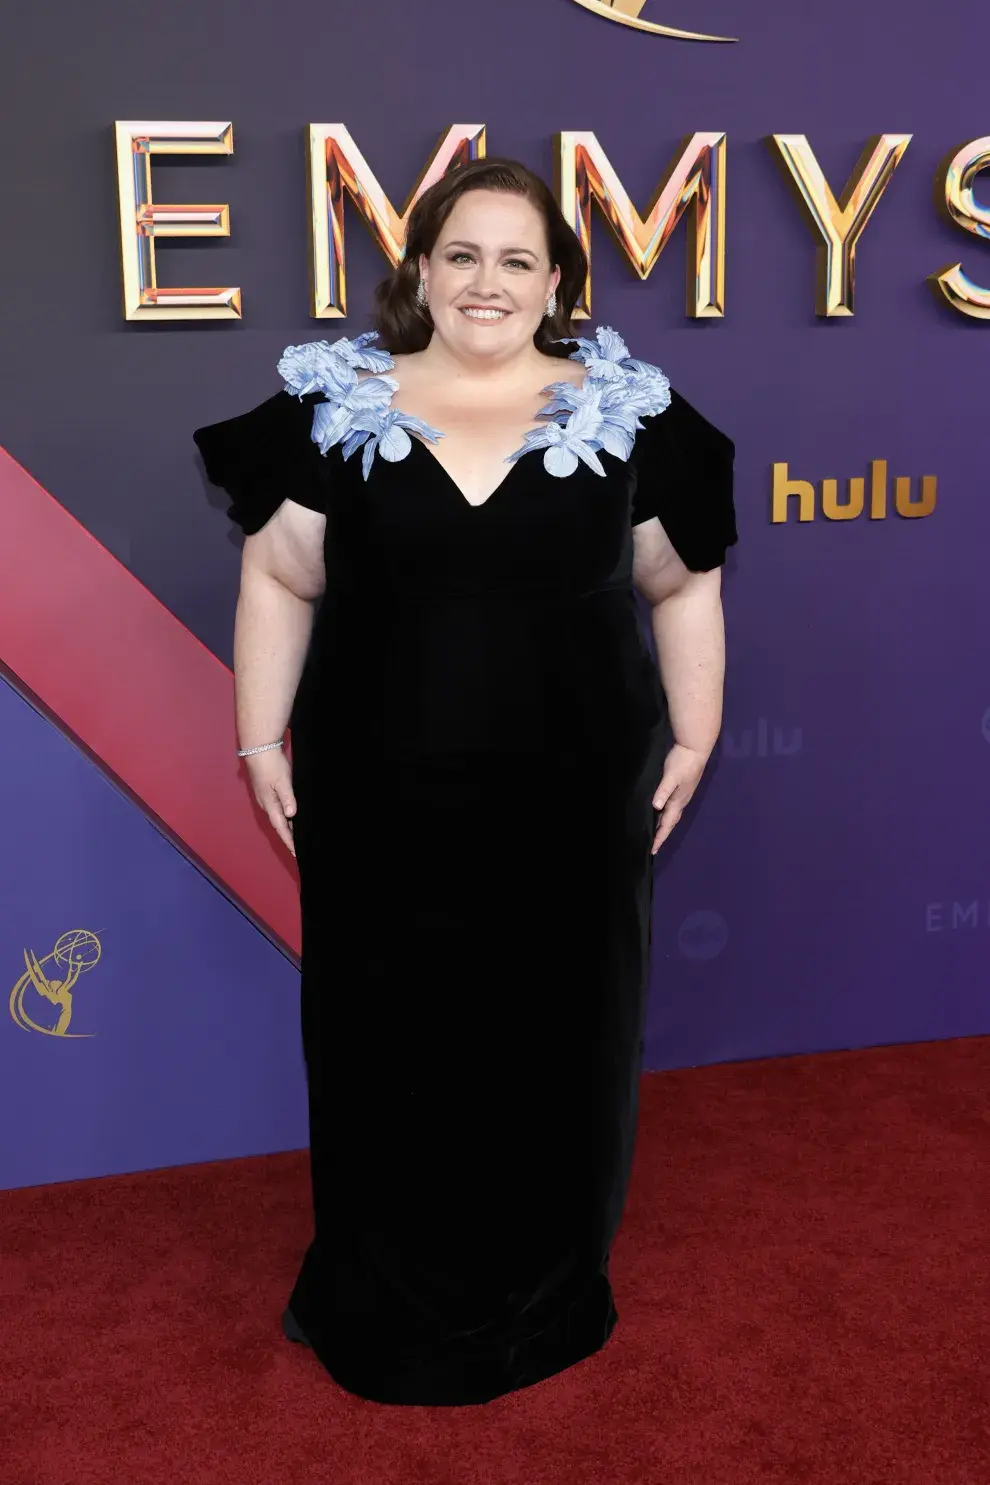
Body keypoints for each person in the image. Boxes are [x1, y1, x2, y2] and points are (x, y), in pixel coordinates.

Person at [193, 156, 736, 1408]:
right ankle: (383, 1293)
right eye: (461, 255)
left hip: (576, 791)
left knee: (560, 1033)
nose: (487, 283)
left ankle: (544, 1288)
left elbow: (682, 578)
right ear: (420, 269)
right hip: (381, 789)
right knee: (390, 1035)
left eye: (517, 259)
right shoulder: (332, 406)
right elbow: (280, 578)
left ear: (557, 282)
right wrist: (259, 740)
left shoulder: (634, 413)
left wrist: (696, 736)